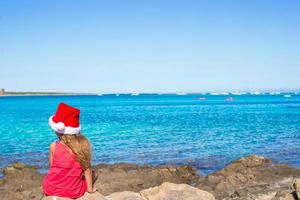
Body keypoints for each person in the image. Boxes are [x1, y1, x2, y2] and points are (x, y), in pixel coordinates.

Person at [42, 103, 96, 199]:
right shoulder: (82, 146)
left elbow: (52, 168)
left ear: (58, 129)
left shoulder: (53, 146)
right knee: (92, 173)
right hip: (73, 192)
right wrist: (90, 189)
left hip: (51, 189)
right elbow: (87, 170)